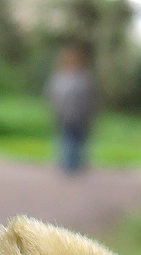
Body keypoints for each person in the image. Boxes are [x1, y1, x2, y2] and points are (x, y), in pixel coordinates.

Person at [46, 45, 97, 174]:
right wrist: (55, 110)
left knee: (79, 141)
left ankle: (75, 165)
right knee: (67, 140)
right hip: (64, 115)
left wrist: (92, 114)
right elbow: (52, 95)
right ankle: (68, 166)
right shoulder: (60, 77)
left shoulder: (85, 78)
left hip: (81, 116)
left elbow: (91, 98)